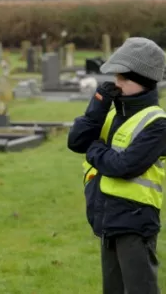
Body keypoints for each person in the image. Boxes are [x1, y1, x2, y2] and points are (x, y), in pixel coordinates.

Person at [68, 37, 166, 294]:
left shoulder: (158, 124)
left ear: (142, 81)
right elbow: (76, 141)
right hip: (107, 218)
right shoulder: (112, 112)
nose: (116, 83)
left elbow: (123, 166)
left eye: (123, 78)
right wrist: (98, 105)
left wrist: (95, 148)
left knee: (139, 289)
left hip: (135, 223)